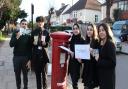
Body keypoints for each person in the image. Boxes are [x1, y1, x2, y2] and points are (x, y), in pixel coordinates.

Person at [9, 19, 32, 89]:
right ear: (20, 24)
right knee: (17, 75)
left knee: (25, 75)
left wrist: (30, 60)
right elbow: (11, 44)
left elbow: (30, 48)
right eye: (23, 24)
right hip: (16, 58)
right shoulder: (16, 32)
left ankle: (26, 87)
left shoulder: (28, 34)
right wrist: (17, 37)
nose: (24, 25)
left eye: (25, 24)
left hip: (25, 58)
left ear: (27, 25)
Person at [31, 16, 50, 89]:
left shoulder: (46, 32)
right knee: (37, 74)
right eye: (38, 22)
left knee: (44, 74)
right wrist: (32, 43)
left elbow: (49, 43)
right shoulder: (34, 32)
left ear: (43, 23)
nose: (40, 23)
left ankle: (45, 87)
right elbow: (31, 43)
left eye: (41, 22)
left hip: (44, 55)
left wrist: (46, 44)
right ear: (37, 23)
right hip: (36, 55)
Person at [96, 23, 116, 89]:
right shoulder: (101, 43)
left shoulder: (110, 44)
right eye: (99, 30)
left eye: (103, 30)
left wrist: (99, 60)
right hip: (102, 78)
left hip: (108, 80)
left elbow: (112, 63)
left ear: (107, 31)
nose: (101, 32)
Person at [82, 23, 99, 89]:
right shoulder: (86, 41)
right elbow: (85, 57)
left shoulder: (97, 41)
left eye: (91, 30)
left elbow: (98, 56)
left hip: (93, 70)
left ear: (94, 31)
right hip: (86, 69)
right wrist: (81, 59)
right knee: (85, 87)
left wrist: (92, 51)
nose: (89, 31)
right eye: (88, 29)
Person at [68, 23, 85, 89]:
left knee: (75, 82)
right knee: (73, 82)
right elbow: (71, 48)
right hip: (71, 63)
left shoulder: (82, 40)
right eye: (74, 29)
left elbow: (83, 53)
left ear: (79, 29)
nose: (75, 30)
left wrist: (74, 54)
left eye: (76, 29)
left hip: (77, 64)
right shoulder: (72, 38)